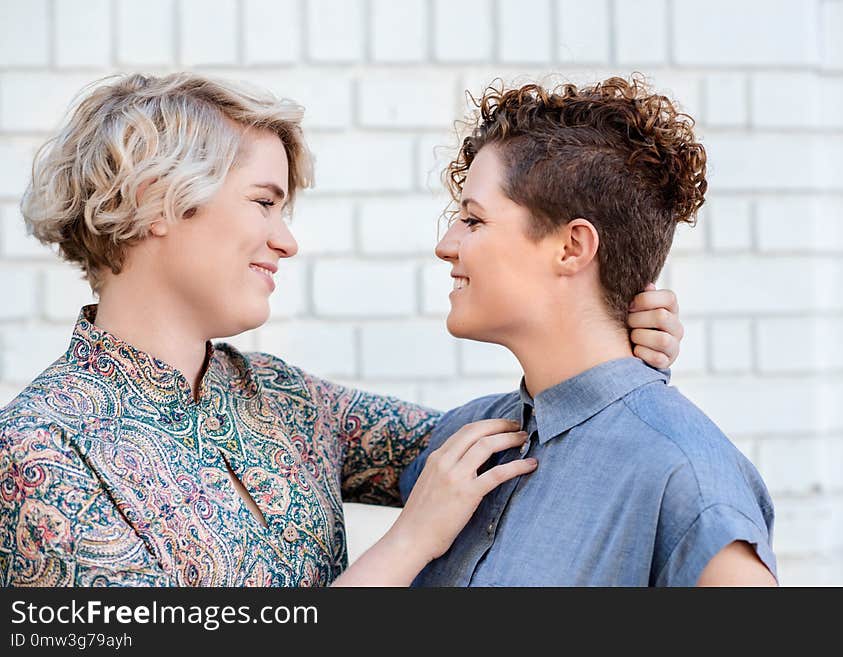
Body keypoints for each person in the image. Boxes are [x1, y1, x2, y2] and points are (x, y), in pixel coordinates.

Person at [0, 73, 682, 587]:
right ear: (155, 201)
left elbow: (518, 446)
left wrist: (609, 350)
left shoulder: (288, 402)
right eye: (265, 203)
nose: (286, 240)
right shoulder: (39, 454)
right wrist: (407, 542)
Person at [400, 76, 778, 587]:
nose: (446, 245)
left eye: (472, 220)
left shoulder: (685, 476)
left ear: (572, 247)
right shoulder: (462, 441)